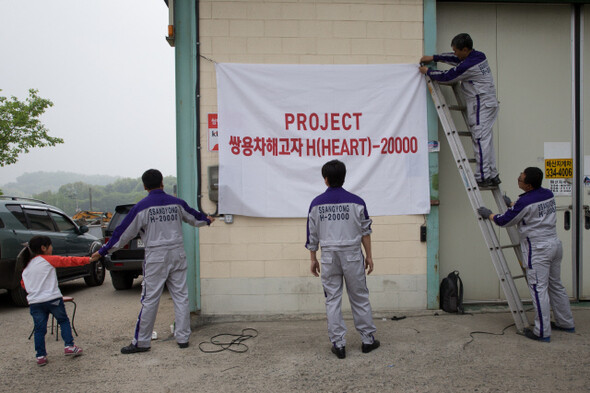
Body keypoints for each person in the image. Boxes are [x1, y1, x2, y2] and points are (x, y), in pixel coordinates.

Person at [92, 169, 214, 354]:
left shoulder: (141, 207)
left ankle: (142, 342)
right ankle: (183, 338)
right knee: (181, 296)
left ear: (144, 186)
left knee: (150, 299)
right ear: (162, 183)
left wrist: (102, 251)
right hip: (177, 253)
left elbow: (122, 233)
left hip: (156, 256)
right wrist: (208, 220)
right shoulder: (176, 203)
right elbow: (194, 217)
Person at [477, 167, 575, 342]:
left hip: (538, 249)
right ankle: (566, 322)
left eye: (520, 179)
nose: (518, 179)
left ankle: (542, 332)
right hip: (554, 244)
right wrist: (513, 205)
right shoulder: (548, 194)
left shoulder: (526, 202)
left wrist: (489, 214)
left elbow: (503, 220)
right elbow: (534, 209)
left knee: (539, 289)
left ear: (528, 186)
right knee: (556, 285)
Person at [306, 159, 379, 359]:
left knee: (332, 300)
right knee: (360, 297)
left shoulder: (315, 204)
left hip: (329, 256)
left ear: (326, 180)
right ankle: (367, 340)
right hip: (352, 254)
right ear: (344, 177)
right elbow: (366, 231)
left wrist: (313, 258)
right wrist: (369, 256)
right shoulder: (357, 202)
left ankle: (339, 344)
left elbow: (311, 235)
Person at [419, 33, 500, 188]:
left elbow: (448, 76)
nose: (454, 53)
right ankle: (492, 174)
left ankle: (482, 177)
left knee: (480, 138)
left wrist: (427, 72)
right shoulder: (478, 56)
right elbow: (455, 59)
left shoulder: (468, 65)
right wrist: (435, 58)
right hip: (489, 103)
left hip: (480, 104)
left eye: (456, 50)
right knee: (486, 140)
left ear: (465, 49)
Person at [21, 235, 100, 366]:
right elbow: (69, 261)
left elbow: (24, 285)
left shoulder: (27, 267)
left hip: (35, 302)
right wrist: (89, 259)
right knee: (63, 321)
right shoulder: (49, 260)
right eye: (50, 246)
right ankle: (69, 346)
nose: (52, 248)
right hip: (52, 299)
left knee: (39, 329)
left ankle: (40, 355)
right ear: (44, 247)